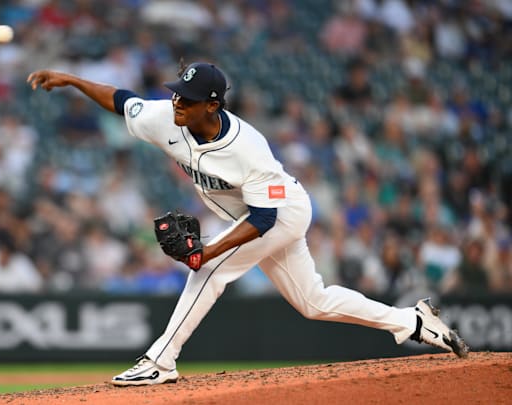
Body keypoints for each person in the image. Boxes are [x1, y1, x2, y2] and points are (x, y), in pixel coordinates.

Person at [26, 61, 469, 386]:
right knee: (312, 301)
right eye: (176, 93)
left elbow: (263, 218)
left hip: (282, 212)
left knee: (208, 271)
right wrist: (72, 81)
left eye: (188, 98)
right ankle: (412, 322)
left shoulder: (248, 149)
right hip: (249, 216)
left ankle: (161, 359)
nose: (177, 101)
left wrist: (207, 252)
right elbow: (121, 101)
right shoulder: (168, 116)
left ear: (213, 105)